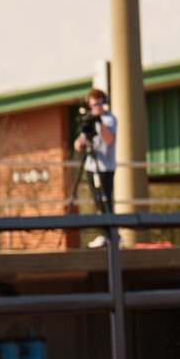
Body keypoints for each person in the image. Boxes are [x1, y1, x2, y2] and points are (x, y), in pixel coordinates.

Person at [73, 88, 117, 246]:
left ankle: (112, 234)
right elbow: (80, 141)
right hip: (91, 166)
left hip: (106, 167)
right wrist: (80, 142)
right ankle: (103, 233)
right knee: (97, 201)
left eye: (98, 104)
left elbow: (109, 139)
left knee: (106, 200)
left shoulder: (110, 119)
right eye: (92, 105)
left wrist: (99, 121)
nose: (95, 108)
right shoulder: (90, 119)